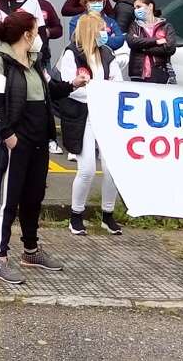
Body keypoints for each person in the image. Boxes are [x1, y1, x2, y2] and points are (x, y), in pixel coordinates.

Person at [0, 11, 87, 285]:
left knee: (33, 195)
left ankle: (31, 250)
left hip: (39, 137)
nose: (40, 35)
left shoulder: (34, 60)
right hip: (17, 138)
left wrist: (71, 85)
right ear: (26, 34)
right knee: (9, 198)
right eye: (36, 30)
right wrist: (7, 135)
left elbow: (49, 89)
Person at [57, 13, 124, 237]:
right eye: (101, 29)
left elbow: (117, 82)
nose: (105, 33)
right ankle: (76, 215)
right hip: (82, 117)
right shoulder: (71, 53)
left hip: (105, 116)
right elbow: (70, 88)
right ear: (91, 31)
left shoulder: (107, 53)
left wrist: (101, 93)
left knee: (111, 169)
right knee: (86, 169)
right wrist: (97, 93)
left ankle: (108, 214)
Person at [127, 0, 177, 84]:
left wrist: (142, 48)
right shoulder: (135, 26)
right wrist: (155, 41)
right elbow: (131, 42)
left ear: (150, 6)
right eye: (135, 8)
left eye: (139, 7)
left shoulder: (166, 26)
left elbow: (170, 48)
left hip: (160, 71)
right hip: (138, 73)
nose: (136, 10)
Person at [21, 0, 63, 71]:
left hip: (43, 55)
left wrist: (48, 32)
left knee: (46, 84)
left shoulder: (46, 5)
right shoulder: (19, 4)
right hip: (22, 54)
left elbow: (58, 29)